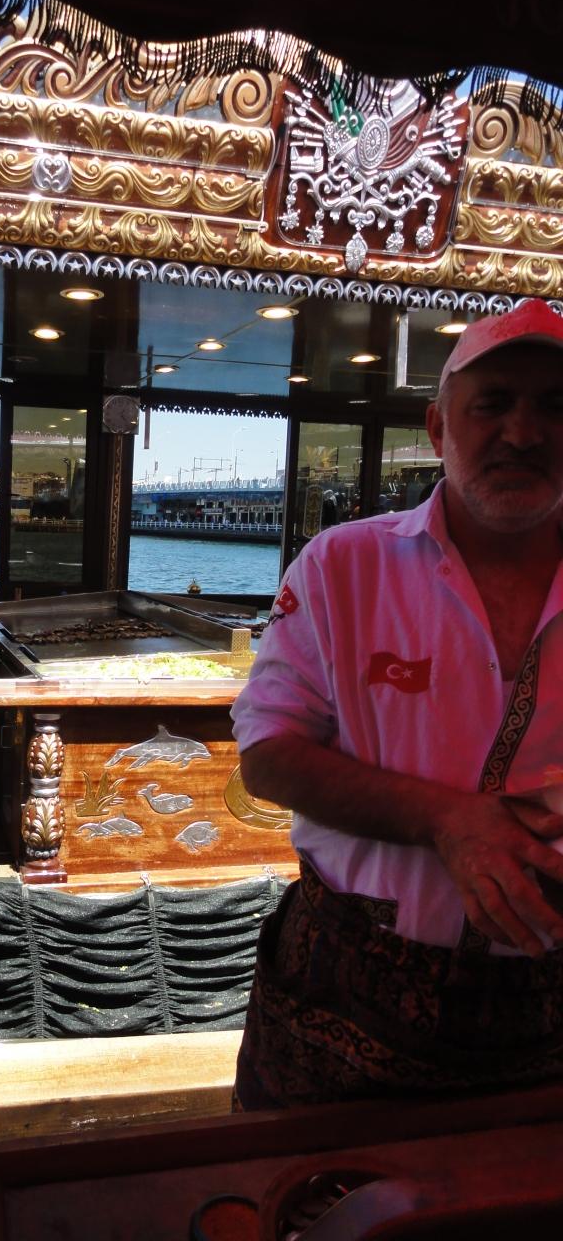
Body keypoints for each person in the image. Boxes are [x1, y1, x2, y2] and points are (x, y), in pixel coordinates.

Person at [231, 298, 563, 1110]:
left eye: (556, 407)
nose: (524, 433)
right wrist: (447, 820)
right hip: (343, 985)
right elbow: (267, 754)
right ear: (438, 428)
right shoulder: (342, 567)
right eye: (492, 404)